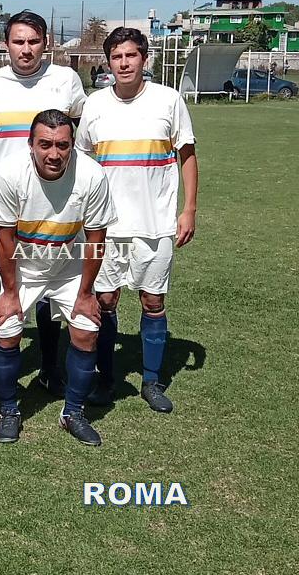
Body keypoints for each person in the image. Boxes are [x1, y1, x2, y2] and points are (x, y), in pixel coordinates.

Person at [75, 27, 197, 413]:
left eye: (131, 55)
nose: (124, 63)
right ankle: (105, 379)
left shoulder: (168, 100)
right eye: (117, 57)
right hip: (105, 226)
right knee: (105, 300)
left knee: (152, 299)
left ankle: (151, 381)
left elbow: (187, 155)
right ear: (108, 62)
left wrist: (189, 210)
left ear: (145, 58)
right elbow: (81, 161)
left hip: (155, 223)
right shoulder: (95, 104)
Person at [0, 10, 88, 399]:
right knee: (8, 285)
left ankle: (49, 368)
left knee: (51, 286)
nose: (26, 49)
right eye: (18, 41)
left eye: (34, 41)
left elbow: (81, 130)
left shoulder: (65, 80)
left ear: (46, 43)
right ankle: (5, 374)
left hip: (56, 203)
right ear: (6, 44)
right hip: (6, 204)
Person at [0, 109, 116, 446]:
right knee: (7, 331)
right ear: (30, 144)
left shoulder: (92, 175)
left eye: (62, 145)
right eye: (45, 144)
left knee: (86, 331)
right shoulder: (8, 173)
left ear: (73, 145)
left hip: (68, 263)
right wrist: (9, 293)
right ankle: (9, 410)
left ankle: (72, 413)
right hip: (22, 266)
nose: (54, 154)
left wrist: (85, 293)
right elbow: (4, 239)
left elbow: (96, 239)